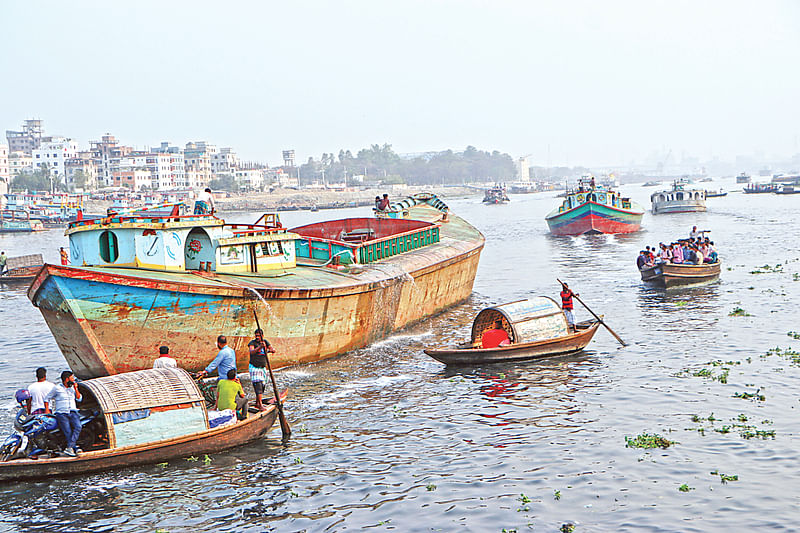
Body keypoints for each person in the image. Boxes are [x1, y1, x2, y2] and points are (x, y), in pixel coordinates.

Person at [44, 371, 82, 457]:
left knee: (78, 427)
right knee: (68, 431)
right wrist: (47, 410)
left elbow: (79, 399)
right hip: (62, 413)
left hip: (73, 411)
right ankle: (73, 448)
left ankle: (70, 447)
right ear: (66, 379)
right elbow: (47, 398)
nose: (73, 380)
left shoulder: (72, 388)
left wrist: (76, 389)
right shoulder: (57, 388)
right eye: (72, 378)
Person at [248, 329, 274, 411]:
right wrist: (260, 347)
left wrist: (270, 350)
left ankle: (257, 402)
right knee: (258, 384)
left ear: (262, 336)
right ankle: (260, 405)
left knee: (262, 385)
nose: (257, 337)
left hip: (262, 368)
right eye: (256, 336)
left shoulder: (265, 342)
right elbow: (251, 352)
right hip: (254, 367)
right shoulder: (252, 343)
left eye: (259, 336)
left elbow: (271, 348)